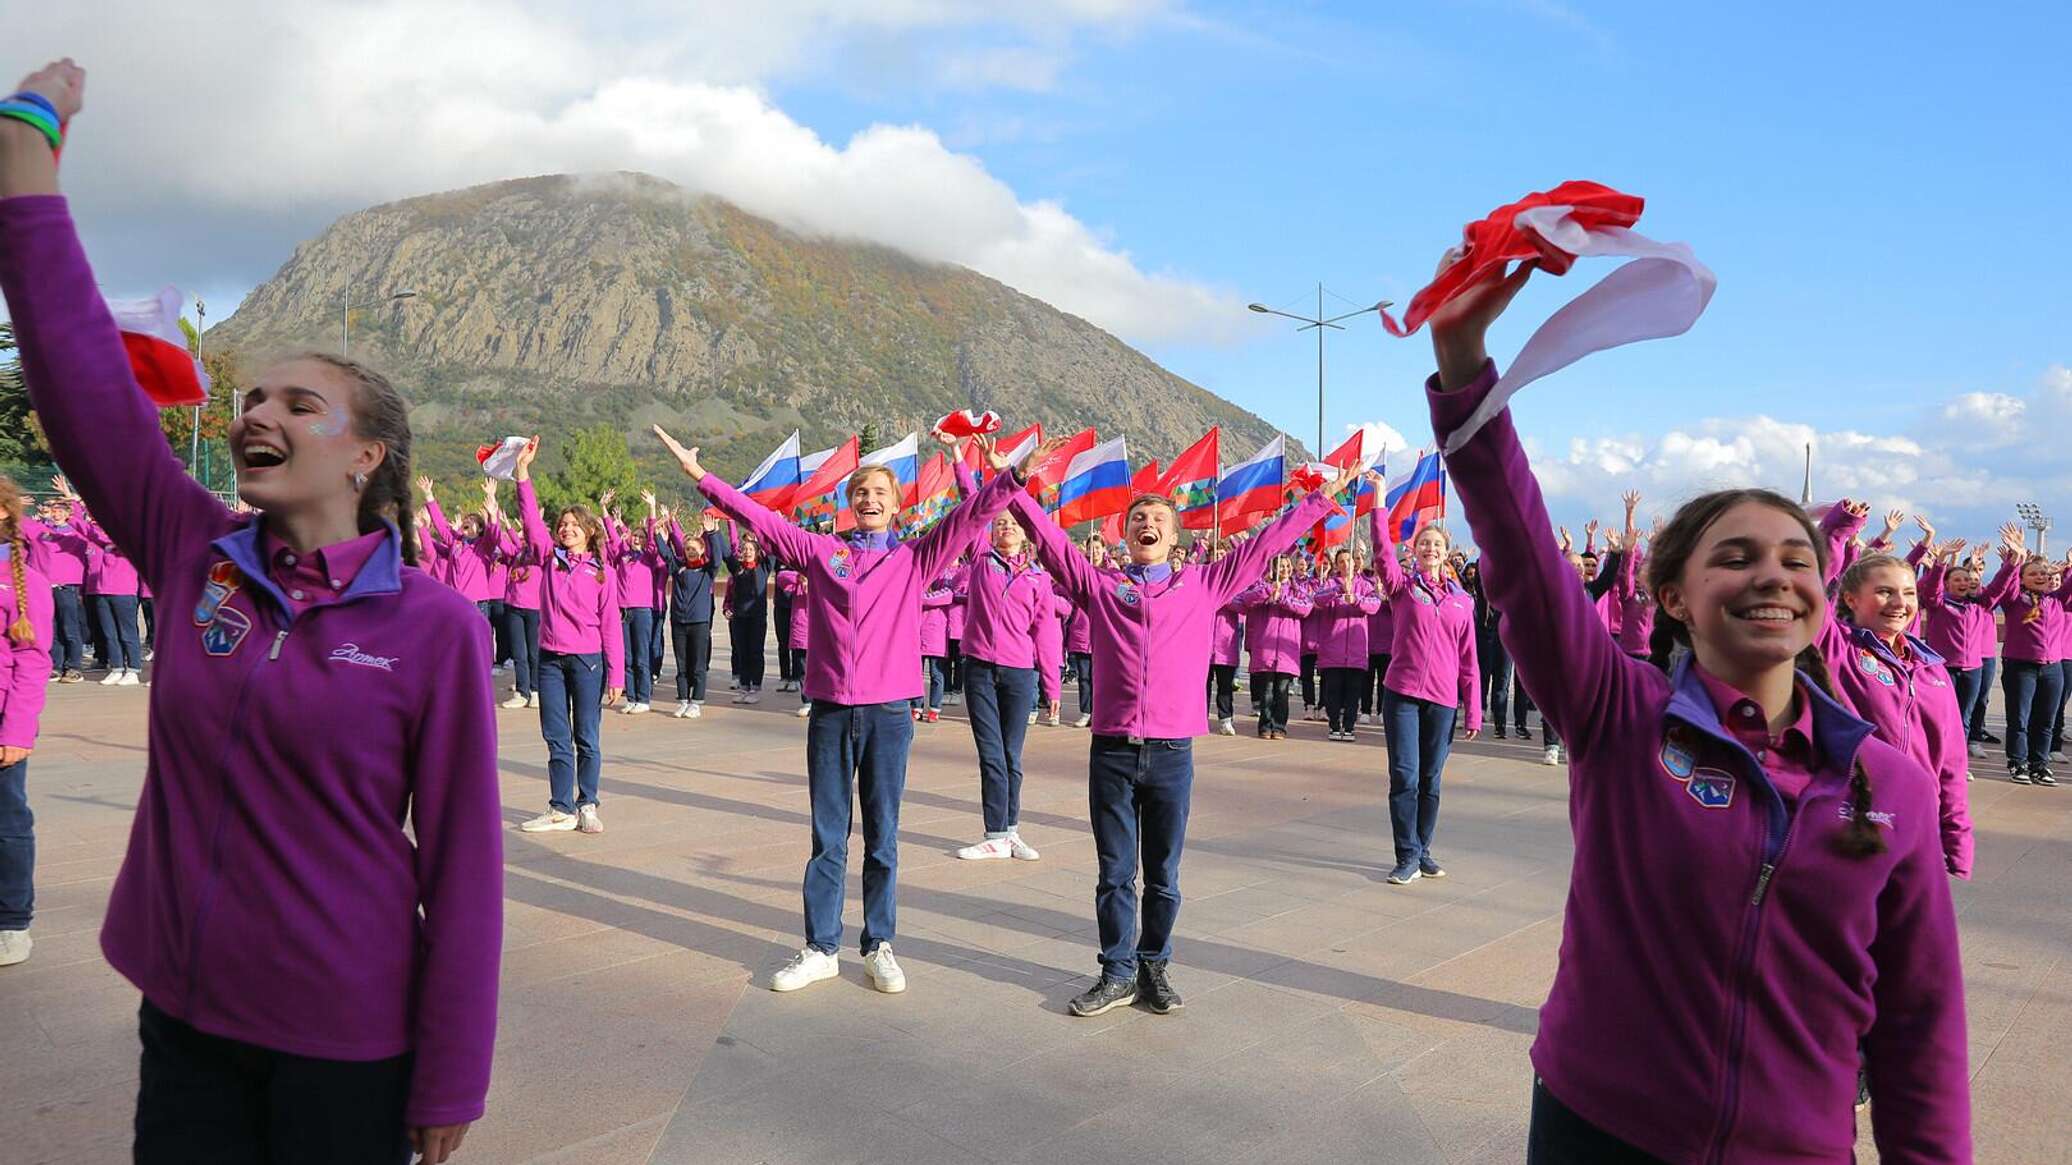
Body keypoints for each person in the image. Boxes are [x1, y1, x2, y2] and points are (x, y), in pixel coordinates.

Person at [0, 59, 504, 1162]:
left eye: (295, 402)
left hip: (345, 1040)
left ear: (366, 455)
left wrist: (453, 1067)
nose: (253, 414)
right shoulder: (193, 550)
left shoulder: (435, 628)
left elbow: (464, 866)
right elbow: (77, 372)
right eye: (249, 399)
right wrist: (28, 139)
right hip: (183, 1015)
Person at [1421, 245, 1966, 1162]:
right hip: (1600, 1131)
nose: (1771, 576)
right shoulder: (1621, 715)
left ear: (1822, 599)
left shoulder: (1889, 784)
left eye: (1797, 560)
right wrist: (1465, 358)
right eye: (1735, 556)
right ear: (1672, 596)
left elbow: (1922, 1032)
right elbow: (1517, 547)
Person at [655, 422, 1032, 996]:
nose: (870, 500)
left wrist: (1014, 477)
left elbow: (972, 516)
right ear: (849, 505)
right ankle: (820, 947)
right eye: (861, 494)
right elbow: (761, 520)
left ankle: (878, 944)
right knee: (828, 836)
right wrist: (700, 476)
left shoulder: (915, 558)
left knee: (882, 836)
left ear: (896, 505)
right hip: (831, 711)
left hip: (887, 716)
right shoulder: (823, 554)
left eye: (880, 493)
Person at [1007, 466, 1351, 1017]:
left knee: (1163, 875)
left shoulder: (1203, 583)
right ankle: (1116, 972)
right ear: (1125, 533)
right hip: (1113, 750)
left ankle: (1153, 967)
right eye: (1138, 518)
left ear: (1173, 537)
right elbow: (1051, 545)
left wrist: (1318, 501)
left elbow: (1266, 546)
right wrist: (1014, 489)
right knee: (1115, 872)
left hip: (1171, 753)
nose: (1147, 524)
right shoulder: (1102, 586)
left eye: (1158, 520)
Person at [1814, 502, 1976, 877]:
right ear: (1851, 599)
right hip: (1849, 819)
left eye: (1909, 593)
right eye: (1885, 592)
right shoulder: (1836, 648)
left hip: (1916, 825)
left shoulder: (1932, 669)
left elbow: (1951, 762)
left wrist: (1957, 839)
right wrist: (1839, 528)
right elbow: (1810, 589)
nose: (1900, 604)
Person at [1365, 471, 1480, 885]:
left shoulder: (1462, 602)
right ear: (1414, 551)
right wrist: (1379, 500)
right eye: (1423, 543)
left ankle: (1424, 848)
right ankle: (1407, 854)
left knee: (1431, 780)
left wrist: (1473, 711)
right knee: (1406, 776)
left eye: (1437, 544)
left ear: (1447, 553)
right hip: (1402, 695)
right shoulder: (1401, 588)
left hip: (1444, 700)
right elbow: (1381, 553)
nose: (1430, 548)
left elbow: (1470, 659)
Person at [511, 436, 624, 833]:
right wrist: (522, 472)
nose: (566, 529)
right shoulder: (549, 560)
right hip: (550, 660)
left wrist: (618, 677)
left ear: (590, 532)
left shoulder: (601, 573)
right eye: (563, 525)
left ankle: (587, 803)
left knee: (586, 736)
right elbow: (529, 520)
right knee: (556, 736)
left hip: (587, 661)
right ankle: (560, 807)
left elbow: (611, 625)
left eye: (575, 525)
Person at [952, 505, 1050, 860]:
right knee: (991, 754)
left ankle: (1011, 831)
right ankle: (994, 833)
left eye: (1013, 524)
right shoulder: (981, 559)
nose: (1006, 527)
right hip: (979, 669)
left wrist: (1051, 685)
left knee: (1012, 756)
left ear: (1025, 533)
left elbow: (1045, 630)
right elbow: (973, 509)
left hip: (1019, 673)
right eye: (1000, 523)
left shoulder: (1038, 576)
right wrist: (962, 461)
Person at [0, 472, 53, 968]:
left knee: (7, 822)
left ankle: (12, 920)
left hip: (2, 722)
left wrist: (16, 731)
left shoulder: (23, 579)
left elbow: (33, 661)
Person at [1987, 527, 2071, 784]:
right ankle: (2018, 763)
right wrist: (2015, 558)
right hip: (2020, 667)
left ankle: (2040, 764)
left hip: (2052, 668)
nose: (2040, 577)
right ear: (2023, 579)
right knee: (2020, 718)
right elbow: (2003, 585)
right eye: (2033, 573)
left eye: (2044, 573)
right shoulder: (2014, 600)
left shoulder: (2057, 600)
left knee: (2045, 720)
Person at [602, 489, 664, 715]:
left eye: (640, 537)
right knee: (626, 656)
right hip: (623, 611)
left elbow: (651, 531)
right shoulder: (623, 555)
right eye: (634, 536)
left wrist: (652, 507)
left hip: (642, 611)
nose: (636, 539)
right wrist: (603, 510)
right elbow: (611, 533)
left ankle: (644, 698)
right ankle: (632, 697)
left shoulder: (648, 556)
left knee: (641, 656)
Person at [659, 508, 725, 718]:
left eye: (694, 549)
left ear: (702, 550)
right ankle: (683, 700)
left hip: (699, 622)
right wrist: (659, 533)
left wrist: (712, 533)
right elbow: (665, 553)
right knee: (681, 664)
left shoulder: (708, 570)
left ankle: (696, 702)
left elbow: (717, 559)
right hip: (679, 621)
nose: (690, 552)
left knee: (697, 664)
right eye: (687, 549)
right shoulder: (678, 568)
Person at [483, 481, 542, 710]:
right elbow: (498, 540)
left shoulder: (541, 555)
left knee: (534, 653)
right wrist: (493, 512)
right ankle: (522, 691)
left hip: (535, 609)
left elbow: (533, 529)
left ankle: (536, 690)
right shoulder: (516, 553)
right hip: (514, 608)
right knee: (519, 653)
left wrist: (531, 519)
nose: (527, 538)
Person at [1238, 555, 1311, 740]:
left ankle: (1279, 726)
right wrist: (1269, 590)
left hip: (1287, 647)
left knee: (1282, 691)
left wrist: (1283, 599)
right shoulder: (1263, 587)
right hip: (1266, 646)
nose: (1285, 569)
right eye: (1281, 566)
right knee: (1267, 690)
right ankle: (1265, 725)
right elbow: (1247, 599)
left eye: (1287, 565)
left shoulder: (1296, 590)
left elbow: (1306, 607)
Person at [1313, 548, 1381, 741]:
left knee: (1353, 692)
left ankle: (1349, 726)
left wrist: (1356, 599)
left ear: (1355, 563)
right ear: (1336, 565)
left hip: (1356, 650)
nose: (1345, 564)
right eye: (1341, 561)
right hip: (1332, 649)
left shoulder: (1366, 585)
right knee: (1332, 691)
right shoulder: (1329, 583)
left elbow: (1374, 605)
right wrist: (1338, 590)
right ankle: (1334, 725)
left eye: (1348, 561)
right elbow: (1317, 600)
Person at [76, 497, 144, 685]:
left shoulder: (130, 541)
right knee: (109, 633)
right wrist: (76, 503)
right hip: (102, 591)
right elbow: (83, 527)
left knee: (127, 633)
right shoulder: (102, 541)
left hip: (124, 593)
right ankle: (116, 667)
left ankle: (133, 669)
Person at [723, 530, 772, 703]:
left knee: (755, 652)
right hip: (739, 618)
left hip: (757, 619)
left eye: (751, 549)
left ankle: (755, 688)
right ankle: (744, 687)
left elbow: (772, 548)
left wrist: (770, 528)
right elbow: (726, 554)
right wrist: (713, 532)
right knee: (742, 652)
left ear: (757, 552)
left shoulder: (763, 568)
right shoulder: (737, 569)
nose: (748, 551)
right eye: (745, 549)